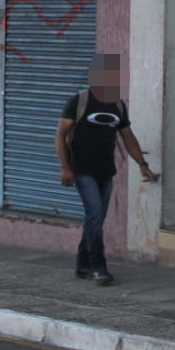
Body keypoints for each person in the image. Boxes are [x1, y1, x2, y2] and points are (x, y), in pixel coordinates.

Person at [55, 53, 156, 285]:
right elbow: (59, 135)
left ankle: (82, 265)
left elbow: (128, 137)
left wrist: (142, 164)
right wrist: (65, 168)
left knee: (95, 219)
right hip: (82, 169)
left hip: (105, 171)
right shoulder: (79, 101)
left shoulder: (118, 105)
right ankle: (98, 267)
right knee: (94, 215)